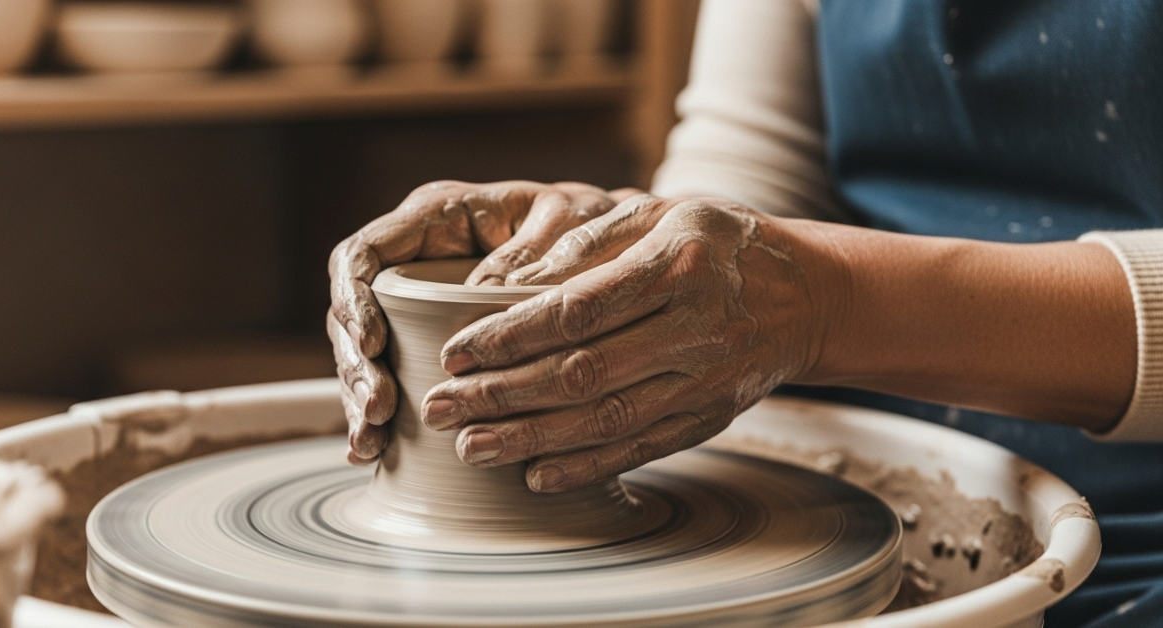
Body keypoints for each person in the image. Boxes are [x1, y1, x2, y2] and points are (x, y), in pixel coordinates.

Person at [327, 2, 1163, 625]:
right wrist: (626, 248)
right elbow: (755, 156)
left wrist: (826, 303)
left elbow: (804, 285)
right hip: (858, 498)